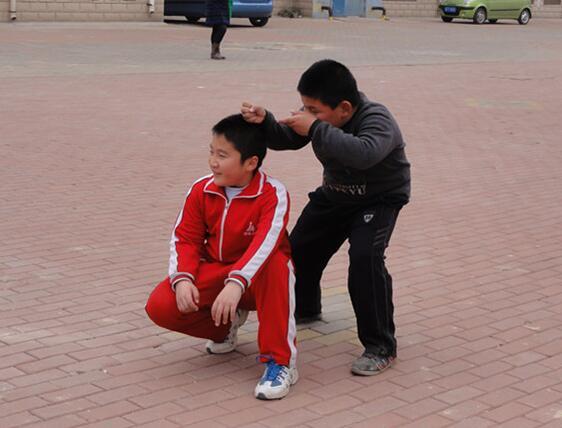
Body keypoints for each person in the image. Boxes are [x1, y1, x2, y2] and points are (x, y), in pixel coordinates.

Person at [240, 59, 411, 376]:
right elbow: (289, 137)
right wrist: (265, 123)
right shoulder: (321, 117)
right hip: (336, 194)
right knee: (297, 250)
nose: (307, 114)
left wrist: (316, 127)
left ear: (344, 108)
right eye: (305, 107)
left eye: (314, 109)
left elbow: (364, 153)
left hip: (380, 198)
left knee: (365, 258)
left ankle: (380, 346)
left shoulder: (377, 119)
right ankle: (305, 308)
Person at [145, 114, 298, 400]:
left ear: (250, 162)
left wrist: (237, 282)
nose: (213, 161)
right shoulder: (201, 190)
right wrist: (182, 279)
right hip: (218, 274)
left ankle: (280, 362)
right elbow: (185, 238)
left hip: (257, 280)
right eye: (211, 152)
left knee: (278, 263)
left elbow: (265, 245)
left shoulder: (273, 193)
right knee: (161, 305)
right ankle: (225, 327)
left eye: (223, 155)